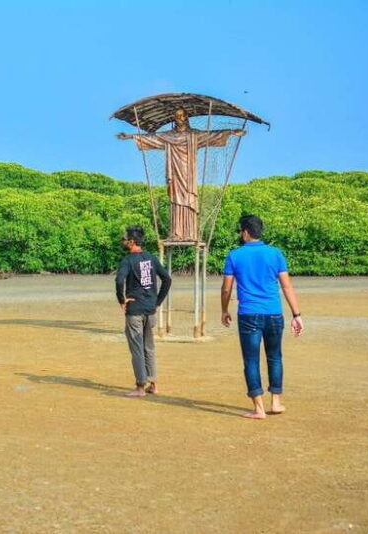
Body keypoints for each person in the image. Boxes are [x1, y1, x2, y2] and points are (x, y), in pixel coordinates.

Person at [221, 214, 304, 419]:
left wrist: (224, 310)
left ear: (246, 232)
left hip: (248, 313)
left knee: (251, 360)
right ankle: (276, 402)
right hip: (274, 313)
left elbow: (226, 289)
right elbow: (286, 286)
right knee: (275, 357)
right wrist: (296, 314)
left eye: (241, 231)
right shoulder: (276, 253)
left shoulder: (234, 255)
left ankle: (258, 408)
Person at [118, 109, 245, 241]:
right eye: (176, 116)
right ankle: (176, 233)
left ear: (186, 118)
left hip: (188, 174)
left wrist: (231, 132)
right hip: (175, 173)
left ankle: (190, 233)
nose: (178, 119)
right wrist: (130, 136)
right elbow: (152, 138)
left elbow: (211, 135)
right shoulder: (168, 136)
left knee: (188, 200)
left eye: (180, 116)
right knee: (175, 201)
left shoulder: (194, 135)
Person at [115, 225, 172, 397]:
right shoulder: (151, 258)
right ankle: (153, 383)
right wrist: (157, 302)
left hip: (135, 311)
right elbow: (167, 279)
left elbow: (119, 281)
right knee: (149, 346)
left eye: (124, 239)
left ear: (132, 242)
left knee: (137, 348)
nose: (123, 241)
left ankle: (140, 386)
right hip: (150, 309)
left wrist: (121, 299)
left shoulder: (127, 260)